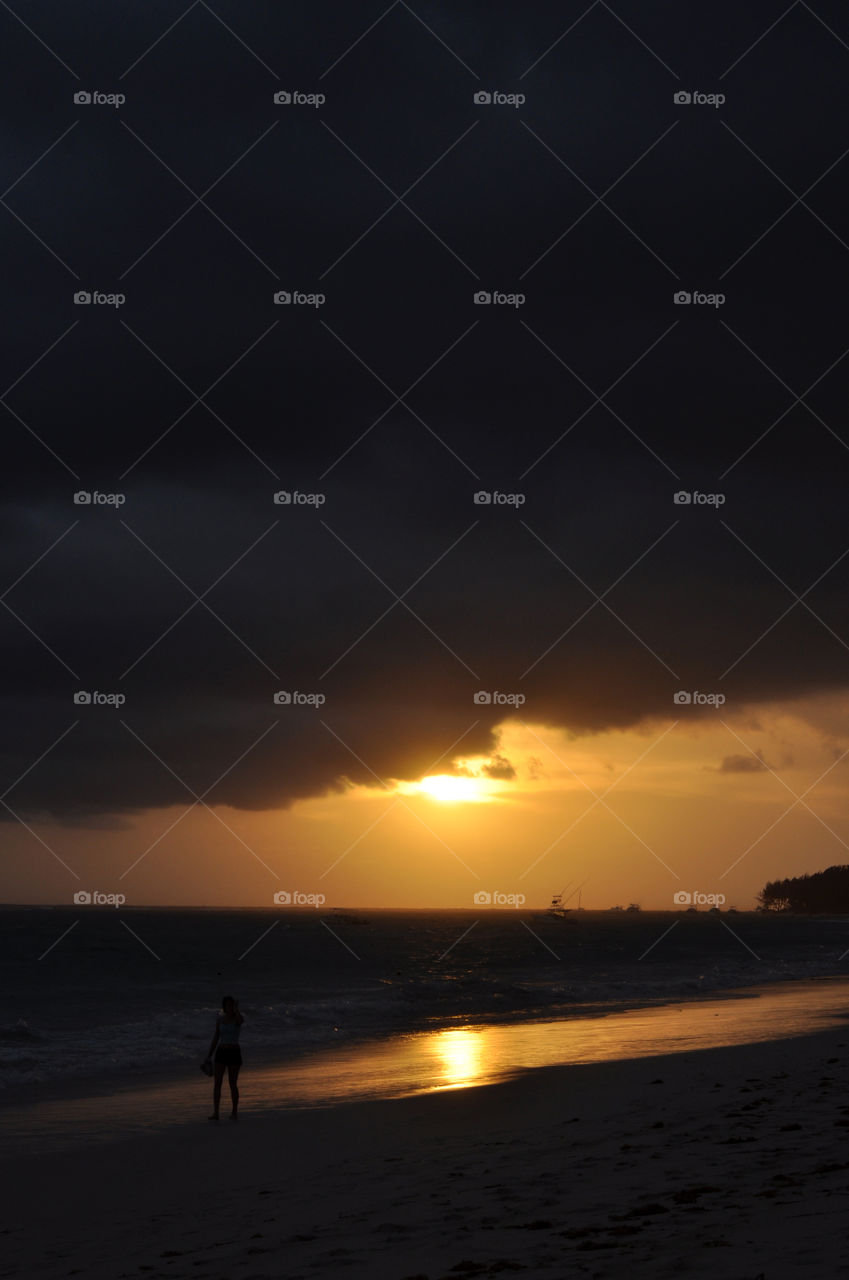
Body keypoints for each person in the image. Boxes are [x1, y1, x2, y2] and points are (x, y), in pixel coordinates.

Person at [205, 995, 244, 1121]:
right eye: (228, 1005)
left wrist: (237, 1010)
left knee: (232, 1083)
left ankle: (234, 1112)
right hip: (221, 1051)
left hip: (234, 1052)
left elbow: (240, 1021)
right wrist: (209, 1055)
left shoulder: (237, 1018)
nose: (230, 1007)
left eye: (232, 1004)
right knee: (217, 1083)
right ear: (224, 1007)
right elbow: (216, 1038)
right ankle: (216, 1112)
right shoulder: (220, 1020)